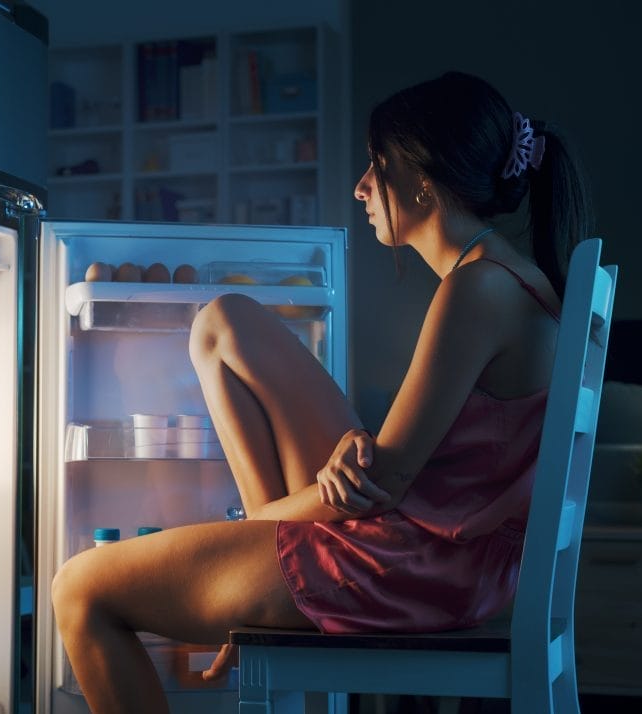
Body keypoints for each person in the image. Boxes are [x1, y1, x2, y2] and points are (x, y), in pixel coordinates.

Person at [51, 70, 593, 714]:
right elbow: (392, 467)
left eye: (377, 166)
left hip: (420, 569)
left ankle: (254, 554)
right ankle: (256, 565)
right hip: (453, 559)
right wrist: (354, 459)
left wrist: (251, 529)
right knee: (225, 323)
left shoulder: (477, 289)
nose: (361, 187)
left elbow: (383, 484)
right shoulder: (506, 277)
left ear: (422, 180)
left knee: (79, 588)